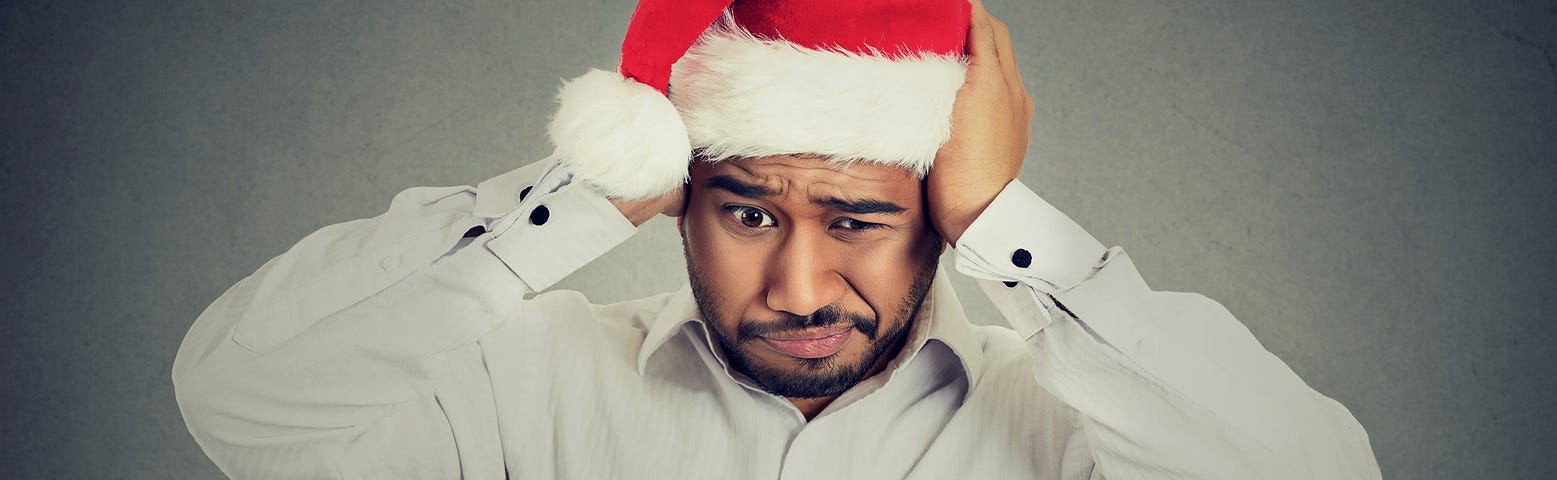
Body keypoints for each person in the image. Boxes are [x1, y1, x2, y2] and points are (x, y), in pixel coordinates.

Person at [172, 0, 1382, 478]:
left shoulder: (1068, 431)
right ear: (676, 198)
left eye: (857, 219)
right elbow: (241, 402)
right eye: (750, 212)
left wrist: (1012, 226)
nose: (799, 284)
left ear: (938, 220)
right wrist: (592, 182)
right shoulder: (517, 382)